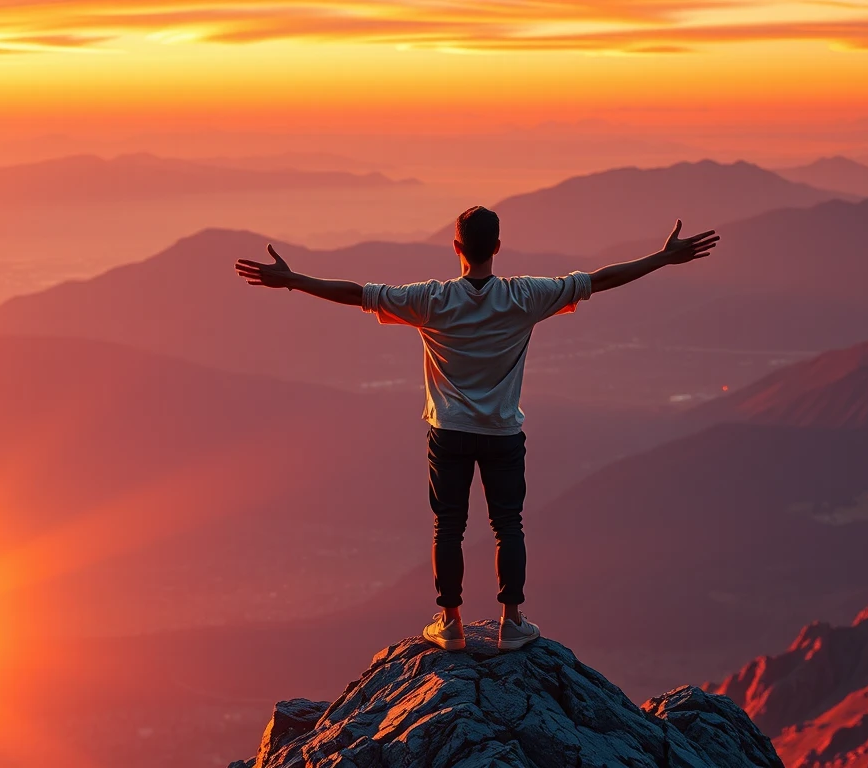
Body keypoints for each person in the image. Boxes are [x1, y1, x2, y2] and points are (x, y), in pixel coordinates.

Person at [235, 206, 719, 651]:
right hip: (503, 432)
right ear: (498, 247)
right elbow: (601, 279)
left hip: (447, 431)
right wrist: (661, 258)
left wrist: (293, 279)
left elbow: (355, 294)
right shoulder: (526, 296)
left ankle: (450, 624)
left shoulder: (432, 300)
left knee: (449, 525)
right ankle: (511, 622)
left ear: (456, 247)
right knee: (508, 525)